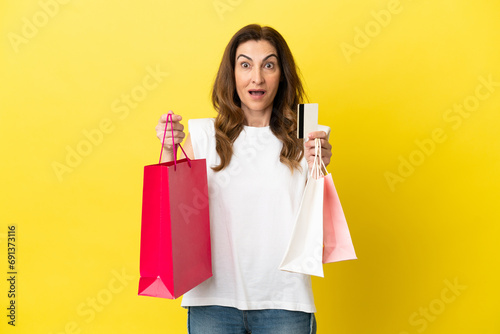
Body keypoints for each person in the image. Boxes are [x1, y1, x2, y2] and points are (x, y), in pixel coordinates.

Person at [155, 24, 332, 334]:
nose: (257, 78)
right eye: (245, 64)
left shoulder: (304, 137)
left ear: (282, 75)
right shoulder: (204, 135)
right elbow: (173, 210)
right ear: (232, 74)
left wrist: (321, 168)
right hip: (212, 301)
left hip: (285, 301)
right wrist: (169, 150)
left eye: (269, 65)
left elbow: (316, 220)